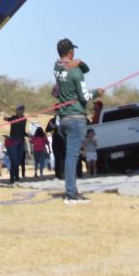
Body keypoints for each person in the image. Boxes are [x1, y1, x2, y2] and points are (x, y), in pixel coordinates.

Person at [53, 37, 95, 203]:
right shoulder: (76, 73)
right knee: (72, 156)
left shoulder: (57, 68)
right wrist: (98, 92)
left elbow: (83, 68)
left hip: (63, 119)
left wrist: (79, 62)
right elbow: (85, 96)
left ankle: (71, 190)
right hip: (76, 117)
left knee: (69, 156)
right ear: (71, 51)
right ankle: (71, 194)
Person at [7, 106, 27, 184]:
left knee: (18, 161)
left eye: (22, 110)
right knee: (14, 161)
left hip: (21, 142)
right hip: (12, 142)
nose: (21, 111)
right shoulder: (13, 118)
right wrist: (6, 118)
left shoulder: (24, 119)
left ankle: (16, 177)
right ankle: (13, 177)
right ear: (16, 110)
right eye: (19, 109)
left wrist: (28, 135)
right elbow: (9, 120)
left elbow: (23, 131)